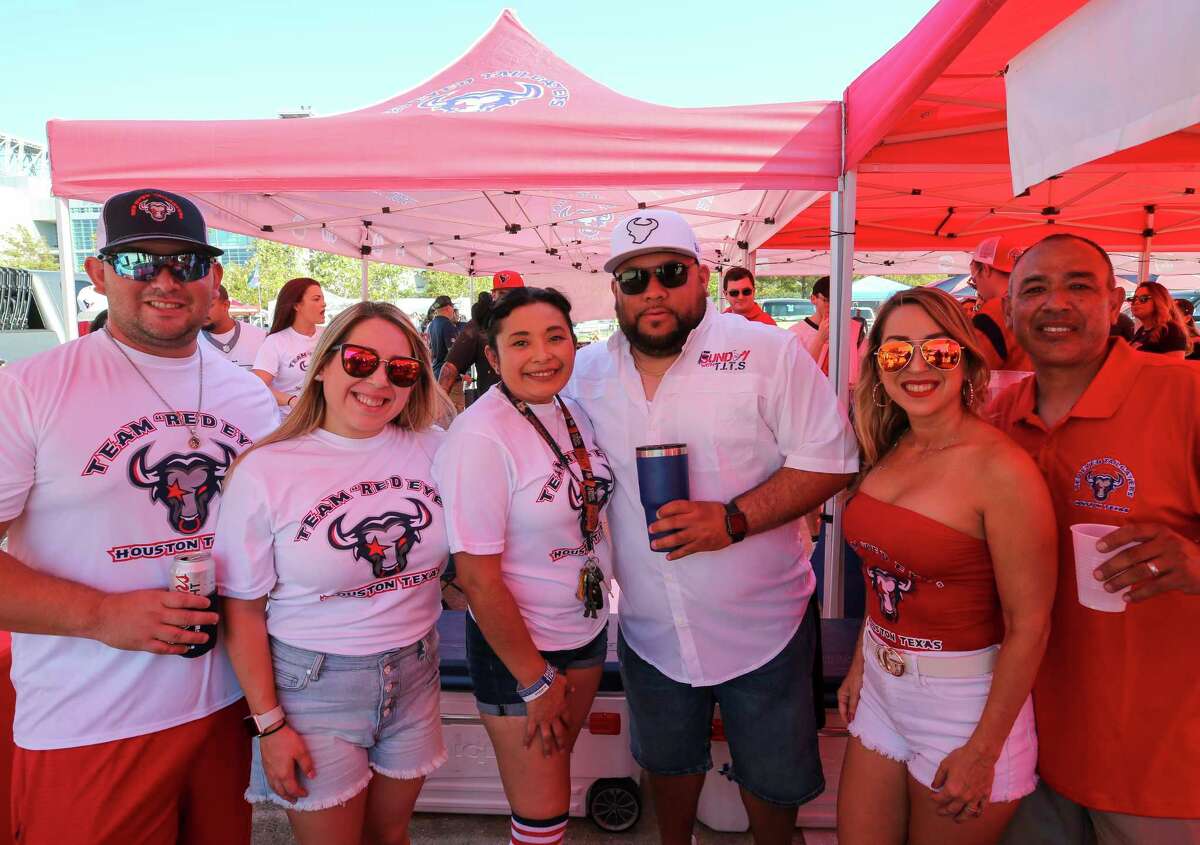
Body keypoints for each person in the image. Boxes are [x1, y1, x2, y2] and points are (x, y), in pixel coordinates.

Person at [565, 210, 858, 845]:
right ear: (614, 291)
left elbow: (831, 460)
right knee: (667, 766)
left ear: (701, 276)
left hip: (766, 626)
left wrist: (733, 519)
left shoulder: (765, 352)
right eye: (634, 279)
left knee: (775, 785)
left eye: (671, 273)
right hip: (648, 626)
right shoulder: (585, 374)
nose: (654, 292)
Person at [0, 188, 279, 844]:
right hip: (89, 722)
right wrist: (99, 613)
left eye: (185, 264)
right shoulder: (30, 388)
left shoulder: (250, 395)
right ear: (98, 273)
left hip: (224, 711)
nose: (164, 280)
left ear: (213, 277)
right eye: (138, 263)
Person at [216, 301, 451, 845]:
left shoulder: (438, 450)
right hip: (312, 684)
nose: (378, 381)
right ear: (322, 364)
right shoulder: (266, 470)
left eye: (401, 369)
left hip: (417, 669)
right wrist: (269, 725)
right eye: (361, 360)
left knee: (390, 837)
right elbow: (243, 612)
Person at [994, 234, 1200, 844]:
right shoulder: (997, 420)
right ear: (1008, 312)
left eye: (1079, 285)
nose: (1055, 302)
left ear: (1116, 303)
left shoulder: (1184, 395)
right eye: (1033, 289)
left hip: (1160, 767)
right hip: (1026, 751)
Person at [836, 287, 1056, 845]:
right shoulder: (888, 446)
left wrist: (983, 752)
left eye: (937, 351)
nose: (916, 366)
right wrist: (864, 660)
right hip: (882, 693)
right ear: (877, 364)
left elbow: (1030, 623)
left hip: (965, 710)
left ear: (966, 359)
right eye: (895, 352)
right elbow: (882, 573)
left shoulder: (1002, 470)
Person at [432, 286, 614, 845]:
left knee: (554, 776)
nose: (543, 354)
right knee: (542, 810)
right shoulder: (481, 435)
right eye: (521, 342)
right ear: (492, 356)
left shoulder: (570, 410)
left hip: (583, 632)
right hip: (522, 653)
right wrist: (536, 683)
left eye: (555, 337)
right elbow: (478, 579)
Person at [439, 271, 524, 404]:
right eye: (502, 294)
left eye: (513, 294)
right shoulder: (479, 325)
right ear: (493, 295)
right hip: (493, 411)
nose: (507, 300)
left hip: (533, 410)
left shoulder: (532, 322)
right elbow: (450, 367)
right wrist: (438, 407)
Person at [253, 277, 326, 415]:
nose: (324, 304)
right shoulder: (275, 342)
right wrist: (291, 400)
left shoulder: (328, 335)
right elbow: (257, 386)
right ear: (296, 305)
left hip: (324, 419)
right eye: (316, 299)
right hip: (288, 421)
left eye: (322, 299)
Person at [968, 236, 1032, 391]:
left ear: (985, 269)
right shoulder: (1042, 302)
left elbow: (972, 371)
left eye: (974, 278)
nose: (975, 284)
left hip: (1008, 406)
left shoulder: (992, 314)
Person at [789, 275, 867, 384]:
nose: (833, 306)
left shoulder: (853, 331)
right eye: (827, 300)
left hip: (844, 397)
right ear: (813, 299)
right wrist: (820, 339)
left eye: (838, 301)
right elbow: (796, 374)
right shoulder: (795, 333)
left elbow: (865, 366)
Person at [203, 283, 267, 369]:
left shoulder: (260, 337)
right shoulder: (188, 342)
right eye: (198, 306)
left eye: (209, 305)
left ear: (225, 305)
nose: (202, 311)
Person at [1128, 281, 1189, 358]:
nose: (1136, 302)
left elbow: (1175, 368)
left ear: (1159, 301)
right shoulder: (1142, 330)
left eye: (1143, 299)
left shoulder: (1170, 330)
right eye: (1134, 299)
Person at [427, 294, 464, 412]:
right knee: (455, 412)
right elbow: (453, 352)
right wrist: (462, 373)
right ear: (448, 308)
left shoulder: (432, 325)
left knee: (441, 413)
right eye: (452, 307)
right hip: (449, 377)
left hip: (436, 373)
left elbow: (431, 351)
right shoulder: (447, 325)